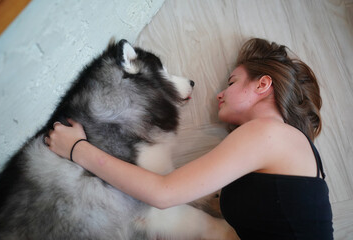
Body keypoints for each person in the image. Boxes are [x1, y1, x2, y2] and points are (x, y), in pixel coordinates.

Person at [46, 38, 334, 239]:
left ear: (263, 84)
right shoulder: (285, 147)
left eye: (232, 82)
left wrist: (76, 149)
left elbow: (164, 193)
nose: (220, 94)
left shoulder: (271, 133)